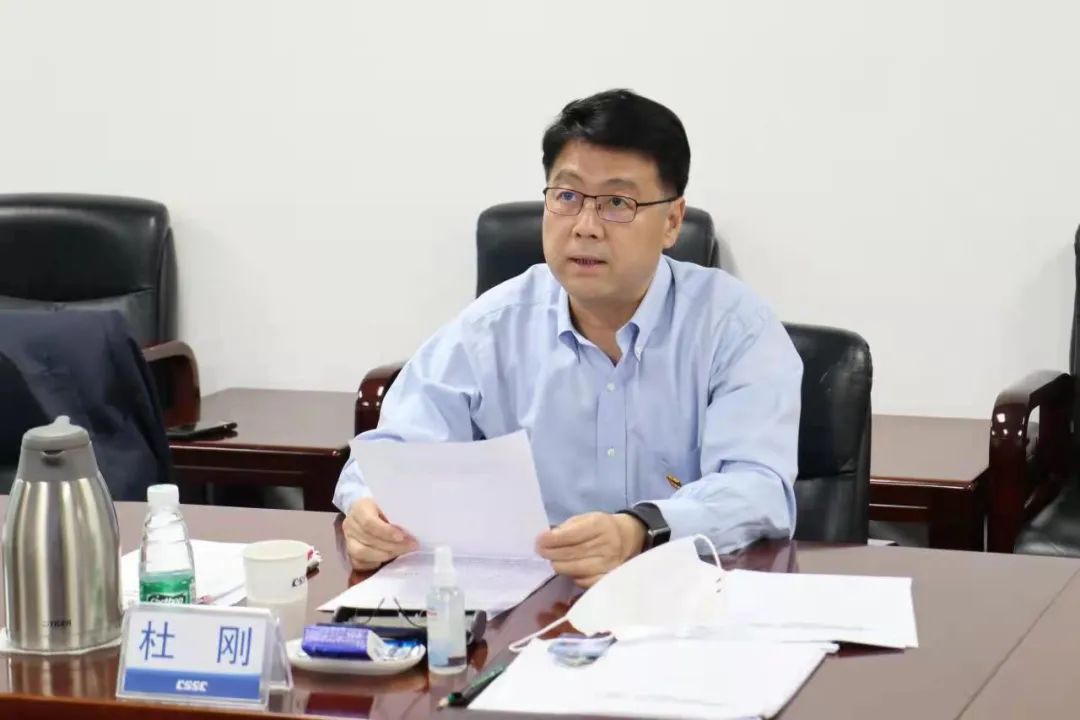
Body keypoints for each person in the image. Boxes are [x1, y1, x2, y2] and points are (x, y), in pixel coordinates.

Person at [334, 89, 802, 587]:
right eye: (567, 197)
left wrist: (640, 529)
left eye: (617, 203)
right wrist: (368, 508)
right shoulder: (491, 327)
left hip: (683, 595)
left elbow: (758, 488)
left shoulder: (733, 327)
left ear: (671, 221)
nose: (585, 227)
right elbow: (392, 453)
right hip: (525, 600)